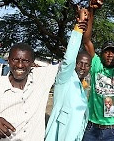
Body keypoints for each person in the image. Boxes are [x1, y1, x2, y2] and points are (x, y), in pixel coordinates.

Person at [0, 43, 58, 141]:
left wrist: (83, 37)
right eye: (15, 60)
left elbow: (69, 62)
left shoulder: (42, 79)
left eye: (25, 61)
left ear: (32, 63)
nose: (20, 65)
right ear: (8, 60)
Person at [45, 7, 92, 141]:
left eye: (87, 64)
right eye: (80, 63)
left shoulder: (83, 86)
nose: (83, 67)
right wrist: (78, 31)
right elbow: (69, 59)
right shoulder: (65, 78)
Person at [82, 0, 114, 141]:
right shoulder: (96, 64)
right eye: (107, 51)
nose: (110, 55)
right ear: (101, 54)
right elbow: (86, 40)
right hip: (92, 128)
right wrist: (91, 12)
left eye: (113, 52)